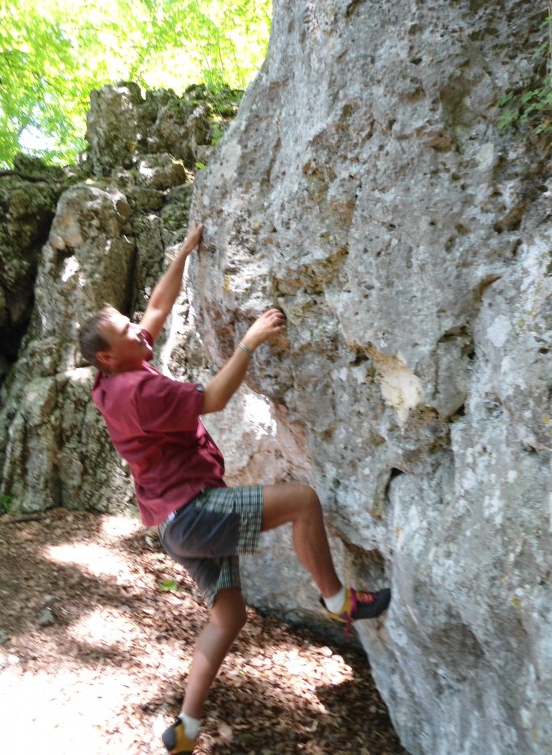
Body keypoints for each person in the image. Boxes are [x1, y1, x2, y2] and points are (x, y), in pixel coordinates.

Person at [78, 222, 390, 754]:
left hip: (174, 526)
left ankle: (186, 728)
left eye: (130, 325)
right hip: (194, 512)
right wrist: (249, 342)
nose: (137, 330)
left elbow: (156, 305)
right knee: (303, 501)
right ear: (108, 356)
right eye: (125, 332)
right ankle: (338, 601)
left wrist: (185, 251)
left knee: (229, 615)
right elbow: (216, 398)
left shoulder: (113, 375)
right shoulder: (140, 388)